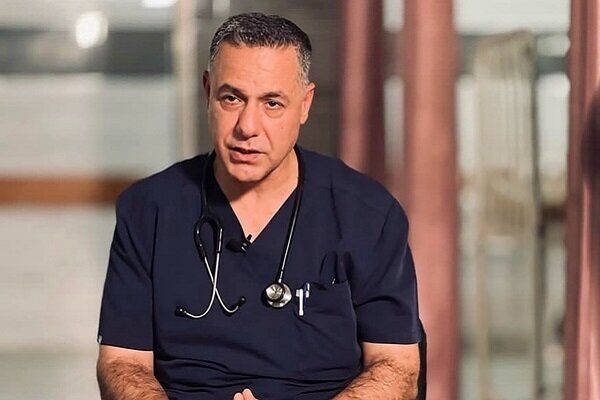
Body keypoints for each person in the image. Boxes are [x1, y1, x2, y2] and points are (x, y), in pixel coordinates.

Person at [96, 12, 422, 400]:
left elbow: (397, 367)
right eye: (232, 98)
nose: (247, 127)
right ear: (207, 92)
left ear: (304, 104)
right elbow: (122, 364)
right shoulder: (148, 210)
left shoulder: (367, 214)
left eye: (272, 103)